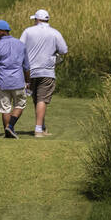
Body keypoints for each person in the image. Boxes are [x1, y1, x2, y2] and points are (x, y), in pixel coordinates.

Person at [18, 9, 67, 138]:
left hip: (29, 71)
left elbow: (20, 48)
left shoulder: (28, 31)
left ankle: (42, 127)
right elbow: (64, 50)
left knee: (37, 99)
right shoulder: (55, 33)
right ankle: (39, 129)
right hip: (47, 71)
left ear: (37, 20)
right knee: (42, 100)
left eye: (35, 19)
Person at [0, 20, 30, 139]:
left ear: (1, 31)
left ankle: (8, 131)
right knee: (20, 105)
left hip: (3, 83)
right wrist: (28, 81)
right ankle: (10, 128)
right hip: (18, 82)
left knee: (5, 109)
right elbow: (26, 67)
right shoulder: (21, 44)